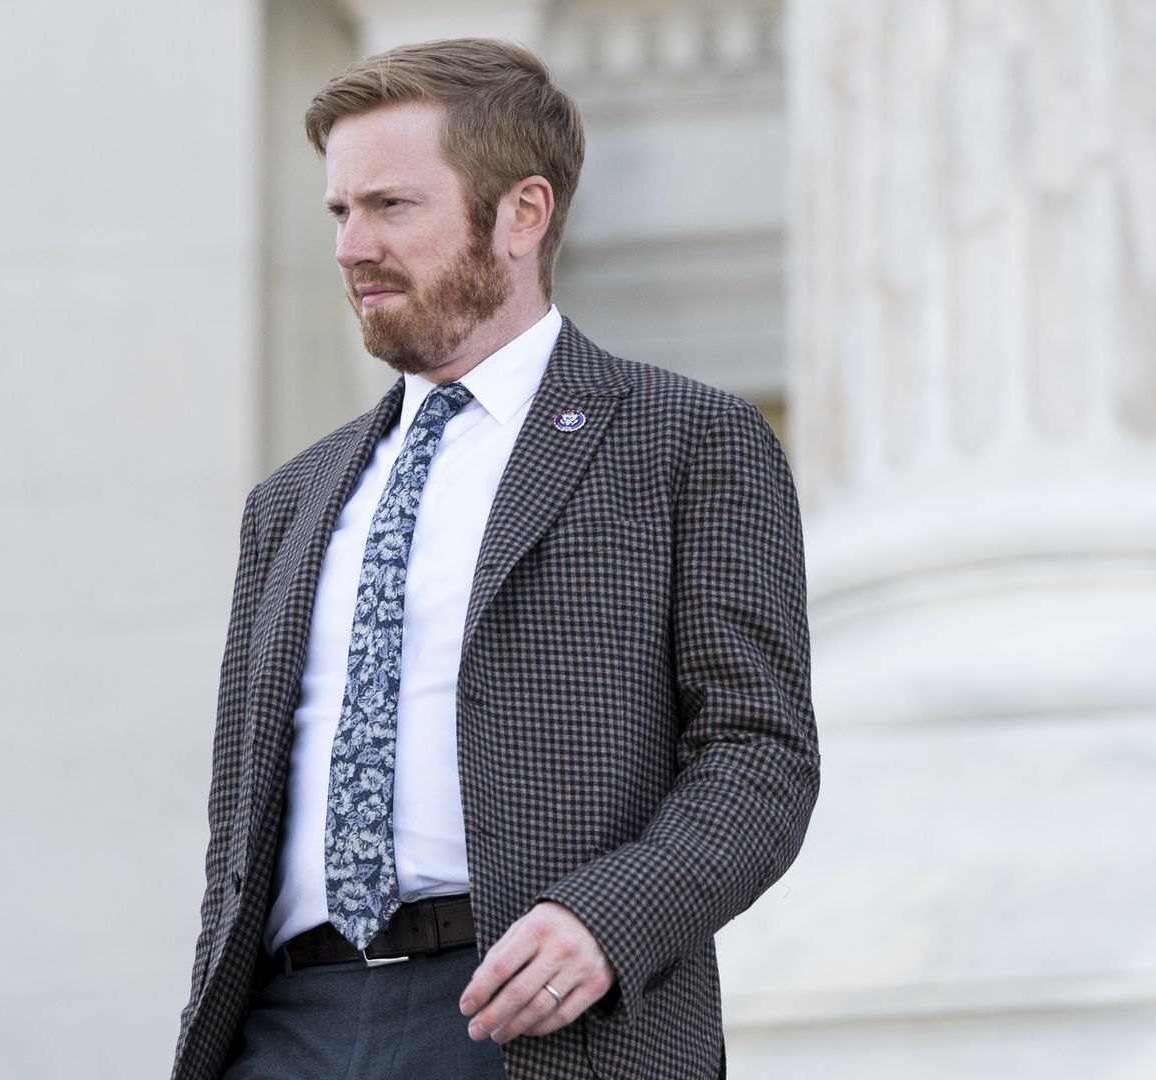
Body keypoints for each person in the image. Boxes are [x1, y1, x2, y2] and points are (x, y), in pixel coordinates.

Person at [171, 37, 818, 1080]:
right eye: (341, 212)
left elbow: (761, 754)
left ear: (523, 213)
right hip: (284, 1027)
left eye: (391, 206)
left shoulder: (686, 441)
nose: (350, 246)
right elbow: (237, 827)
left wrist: (608, 921)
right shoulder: (286, 503)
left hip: (537, 1023)